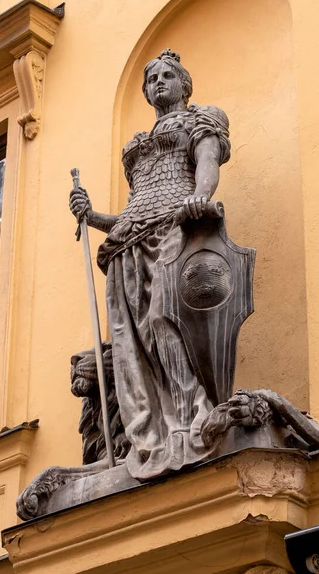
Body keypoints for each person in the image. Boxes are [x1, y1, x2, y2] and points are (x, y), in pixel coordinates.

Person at [70, 49, 231, 480]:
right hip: (129, 239)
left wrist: (200, 196)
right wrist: (92, 217)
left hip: (176, 225)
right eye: (151, 79)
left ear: (184, 83)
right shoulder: (138, 144)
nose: (157, 83)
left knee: (166, 318)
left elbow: (207, 165)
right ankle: (152, 435)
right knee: (132, 344)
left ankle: (193, 419)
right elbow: (131, 209)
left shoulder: (201, 119)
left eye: (166, 75)